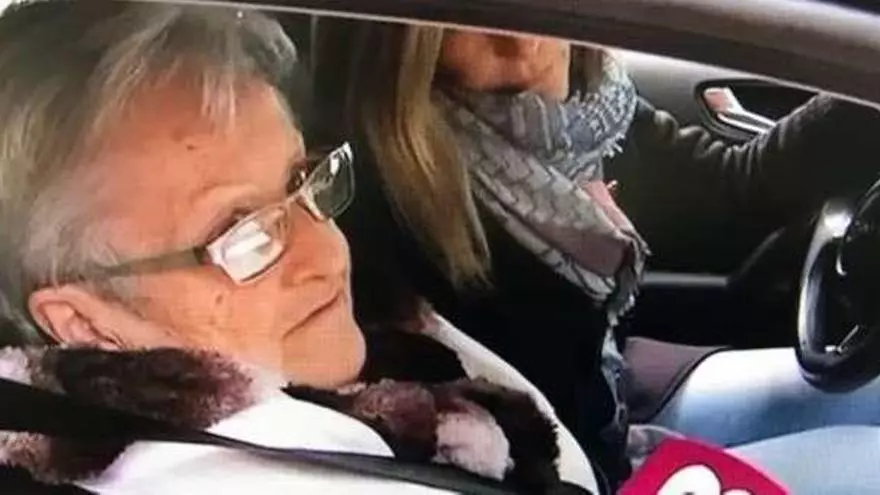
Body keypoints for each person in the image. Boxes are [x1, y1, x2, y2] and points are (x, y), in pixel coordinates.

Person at [0, 2, 600, 493]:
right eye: (240, 233)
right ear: (84, 322)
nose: (327, 253)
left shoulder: (379, 337)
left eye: (299, 180)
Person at [310, 20, 880, 489]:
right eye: (470, 15)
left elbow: (734, 191)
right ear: (413, 47)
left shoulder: (587, 116)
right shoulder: (386, 200)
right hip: (569, 473)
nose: (521, 39)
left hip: (616, 421)